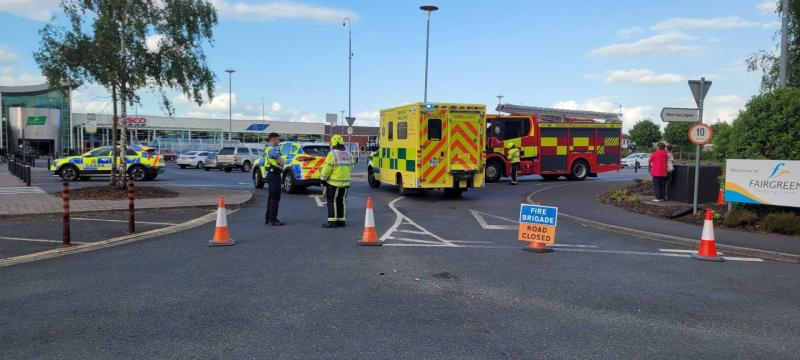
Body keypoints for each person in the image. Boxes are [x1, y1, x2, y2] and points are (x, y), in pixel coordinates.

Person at [321, 135, 353, 228]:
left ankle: (332, 222)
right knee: (341, 200)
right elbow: (351, 167)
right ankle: (341, 221)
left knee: (332, 201)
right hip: (346, 182)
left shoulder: (332, 154)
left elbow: (327, 169)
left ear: (332, 143)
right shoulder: (348, 154)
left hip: (334, 183)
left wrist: (323, 179)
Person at [264, 132, 285, 226]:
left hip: (271, 174)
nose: (278, 141)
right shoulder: (272, 150)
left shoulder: (268, 148)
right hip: (274, 174)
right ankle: (273, 219)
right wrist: (282, 161)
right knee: (275, 197)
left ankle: (268, 218)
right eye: (277, 139)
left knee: (271, 197)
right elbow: (281, 162)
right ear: (273, 139)